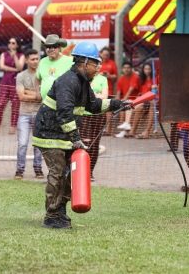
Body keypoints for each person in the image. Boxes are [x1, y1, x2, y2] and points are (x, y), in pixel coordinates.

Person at [32, 41, 131, 229]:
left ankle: (60, 210)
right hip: (49, 134)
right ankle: (52, 216)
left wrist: (117, 104)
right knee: (58, 173)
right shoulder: (67, 82)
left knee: (71, 174)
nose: (98, 69)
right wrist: (76, 139)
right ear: (84, 63)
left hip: (64, 136)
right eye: (95, 64)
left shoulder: (83, 82)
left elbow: (93, 105)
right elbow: (64, 113)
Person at [14, 49, 44, 180]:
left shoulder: (43, 74)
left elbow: (45, 95)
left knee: (39, 144)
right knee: (22, 143)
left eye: (37, 59)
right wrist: (37, 95)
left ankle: (38, 169)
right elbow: (21, 96)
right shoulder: (21, 76)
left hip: (39, 113)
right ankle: (19, 170)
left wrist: (28, 92)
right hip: (24, 114)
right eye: (32, 59)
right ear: (26, 60)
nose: (35, 61)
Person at [79, 61, 109, 181]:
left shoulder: (103, 79)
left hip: (98, 115)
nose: (97, 67)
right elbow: (81, 96)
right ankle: (81, 170)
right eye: (94, 64)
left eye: (99, 65)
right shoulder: (83, 78)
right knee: (84, 142)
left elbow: (104, 96)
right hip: (84, 115)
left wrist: (91, 97)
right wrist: (95, 96)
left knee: (94, 144)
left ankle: (90, 171)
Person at [0, 37, 25, 135]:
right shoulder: (4, 54)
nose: (11, 44)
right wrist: (15, 70)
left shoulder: (20, 55)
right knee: (0, 104)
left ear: (17, 45)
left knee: (15, 105)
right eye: (9, 42)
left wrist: (15, 57)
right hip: (5, 82)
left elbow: (20, 67)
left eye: (13, 43)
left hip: (15, 82)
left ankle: (13, 126)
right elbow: (2, 67)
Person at [36, 34, 73, 100]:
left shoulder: (70, 61)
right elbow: (37, 78)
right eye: (48, 47)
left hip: (63, 103)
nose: (51, 49)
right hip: (46, 104)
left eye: (54, 46)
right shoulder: (42, 61)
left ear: (59, 48)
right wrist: (38, 92)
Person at [129, 62, 158, 139]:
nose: (147, 71)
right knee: (139, 108)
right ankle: (133, 131)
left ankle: (147, 131)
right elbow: (140, 93)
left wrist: (156, 88)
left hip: (152, 102)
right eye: (145, 69)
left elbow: (155, 93)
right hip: (144, 102)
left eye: (149, 69)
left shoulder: (155, 79)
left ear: (152, 70)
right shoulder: (142, 80)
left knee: (151, 104)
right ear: (143, 70)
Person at [115, 61, 140, 138]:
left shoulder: (135, 76)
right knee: (122, 107)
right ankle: (124, 130)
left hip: (136, 101)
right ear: (122, 69)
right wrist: (115, 103)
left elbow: (130, 90)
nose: (126, 69)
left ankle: (125, 127)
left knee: (125, 105)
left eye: (128, 68)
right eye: (125, 68)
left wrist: (122, 101)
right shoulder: (121, 79)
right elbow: (118, 93)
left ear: (131, 69)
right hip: (128, 102)